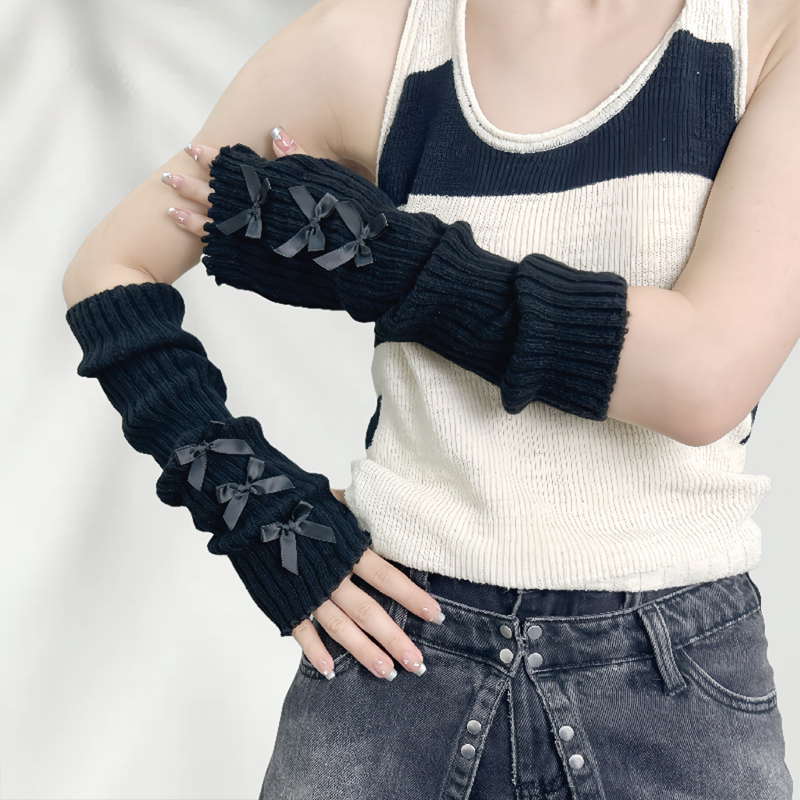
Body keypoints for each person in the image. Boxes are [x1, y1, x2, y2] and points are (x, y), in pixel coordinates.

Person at [63, 0, 797, 797]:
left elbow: (702, 379)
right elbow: (111, 271)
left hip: (673, 683)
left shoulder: (763, 33)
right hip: (396, 655)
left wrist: (380, 256)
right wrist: (261, 514)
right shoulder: (369, 42)